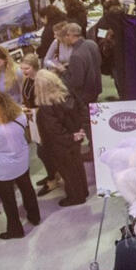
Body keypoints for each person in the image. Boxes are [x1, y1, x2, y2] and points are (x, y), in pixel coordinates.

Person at [0, 91, 41, 239]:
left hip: (3, 170)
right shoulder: (20, 117)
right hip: (22, 162)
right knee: (28, 190)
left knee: (8, 201)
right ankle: (35, 216)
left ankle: (15, 230)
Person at [33, 70, 88, 206]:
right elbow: (82, 109)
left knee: (68, 172)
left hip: (60, 145)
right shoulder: (68, 93)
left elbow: (54, 131)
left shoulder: (46, 107)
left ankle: (76, 197)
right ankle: (83, 191)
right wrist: (80, 131)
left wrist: (70, 137)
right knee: (77, 166)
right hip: (75, 136)